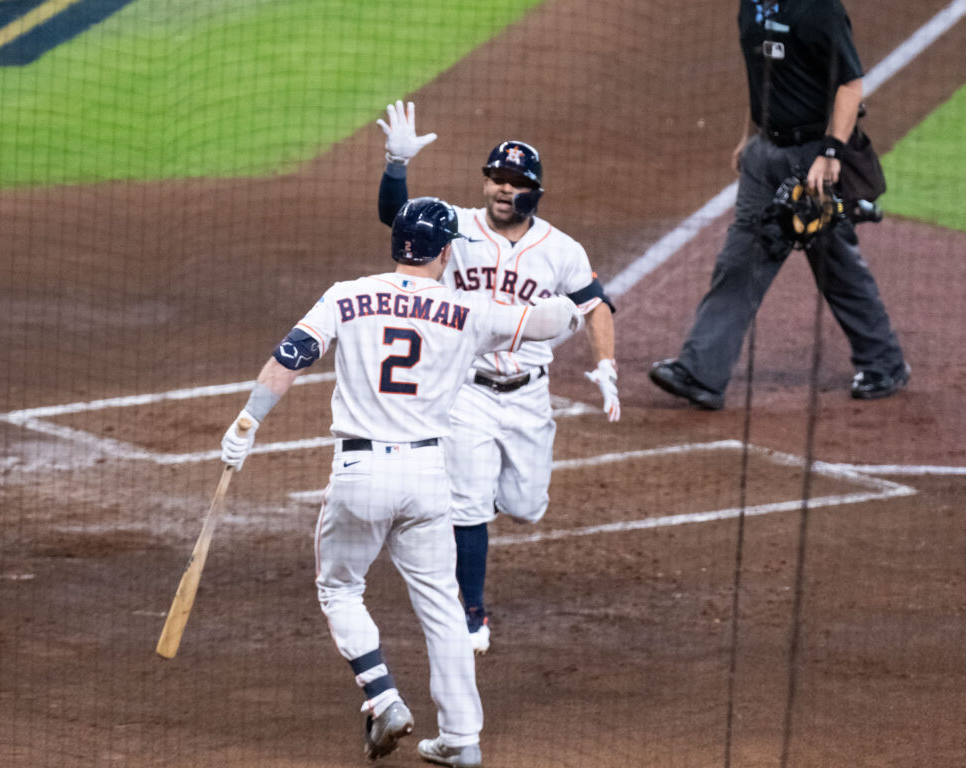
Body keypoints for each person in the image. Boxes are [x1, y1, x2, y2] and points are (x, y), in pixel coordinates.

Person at [220, 197, 582, 768]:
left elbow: (290, 357)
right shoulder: (469, 312)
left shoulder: (346, 295)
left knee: (339, 587)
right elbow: (548, 321)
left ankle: (383, 695)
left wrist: (246, 422)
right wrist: (572, 306)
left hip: (360, 473)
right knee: (441, 602)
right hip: (427, 476)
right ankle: (462, 739)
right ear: (444, 252)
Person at [375, 101, 620, 655]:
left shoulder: (561, 250)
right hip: (465, 392)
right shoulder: (455, 225)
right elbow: (397, 218)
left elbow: (596, 304)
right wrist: (396, 164)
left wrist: (605, 363)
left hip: (530, 397)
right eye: (496, 179)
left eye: (517, 182)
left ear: (536, 191)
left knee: (528, 506)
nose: (504, 190)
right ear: (485, 182)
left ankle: (477, 513)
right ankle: (472, 612)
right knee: (468, 506)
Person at [648, 0, 908, 410]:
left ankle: (884, 362)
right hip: (765, 154)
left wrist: (830, 154)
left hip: (812, 156)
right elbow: (764, 81)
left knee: (833, 260)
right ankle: (702, 372)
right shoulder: (751, 6)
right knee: (740, 258)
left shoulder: (820, 9)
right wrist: (751, 134)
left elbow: (849, 85)